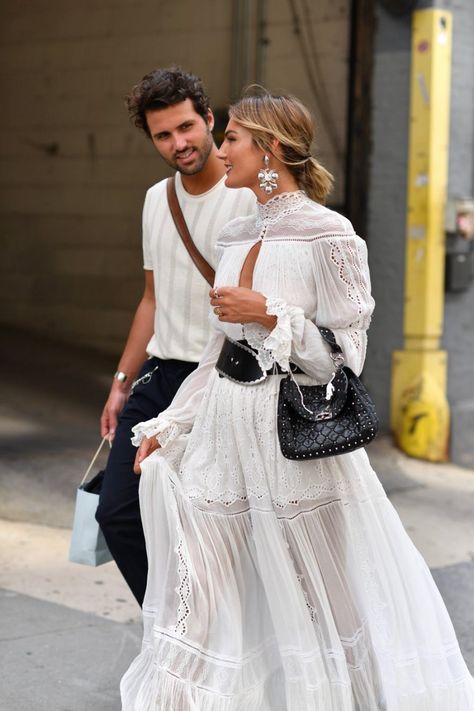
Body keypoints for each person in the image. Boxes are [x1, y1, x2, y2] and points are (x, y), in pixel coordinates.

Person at [121, 93, 474, 710]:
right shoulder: (236, 233)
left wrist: (269, 312)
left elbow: (344, 357)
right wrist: (170, 425)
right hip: (222, 435)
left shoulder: (331, 236)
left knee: (325, 602)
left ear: (270, 151)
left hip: (291, 442)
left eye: (232, 138)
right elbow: (215, 355)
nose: (219, 148)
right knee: (195, 592)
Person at [95, 67, 256, 606]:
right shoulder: (156, 200)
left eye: (186, 127)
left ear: (210, 119)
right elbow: (152, 298)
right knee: (117, 511)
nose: (178, 143)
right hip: (161, 378)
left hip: (221, 385)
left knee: (205, 528)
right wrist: (121, 381)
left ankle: (203, 642)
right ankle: (171, 632)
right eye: (163, 135)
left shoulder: (247, 198)